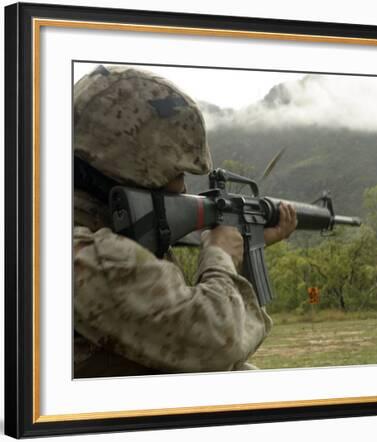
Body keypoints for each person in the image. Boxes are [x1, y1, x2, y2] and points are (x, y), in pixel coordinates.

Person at [73, 65, 297, 377]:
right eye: (177, 173)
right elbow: (219, 342)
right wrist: (220, 257)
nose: (183, 188)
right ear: (134, 168)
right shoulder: (87, 253)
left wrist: (243, 247)